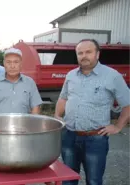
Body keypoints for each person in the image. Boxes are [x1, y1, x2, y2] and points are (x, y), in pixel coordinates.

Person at [54, 39, 130, 185]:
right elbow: (63, 98)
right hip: (69, 136)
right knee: (68, 179)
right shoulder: (71, 75)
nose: (84, 56)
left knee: (94, 180)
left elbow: (128, 104)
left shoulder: (112, 76)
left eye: (88, 52)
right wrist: (57, 117)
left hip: (96, 139)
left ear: (97, 54)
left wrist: (118, 127)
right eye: (80, 53)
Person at [0, 48, 42, 114]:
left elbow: (36, 107)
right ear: (4, 64)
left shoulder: (29, 83)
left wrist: (32, 124)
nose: (12, 66)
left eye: (16, 62)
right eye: (8, 62)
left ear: (21, 64)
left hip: (23, 124)